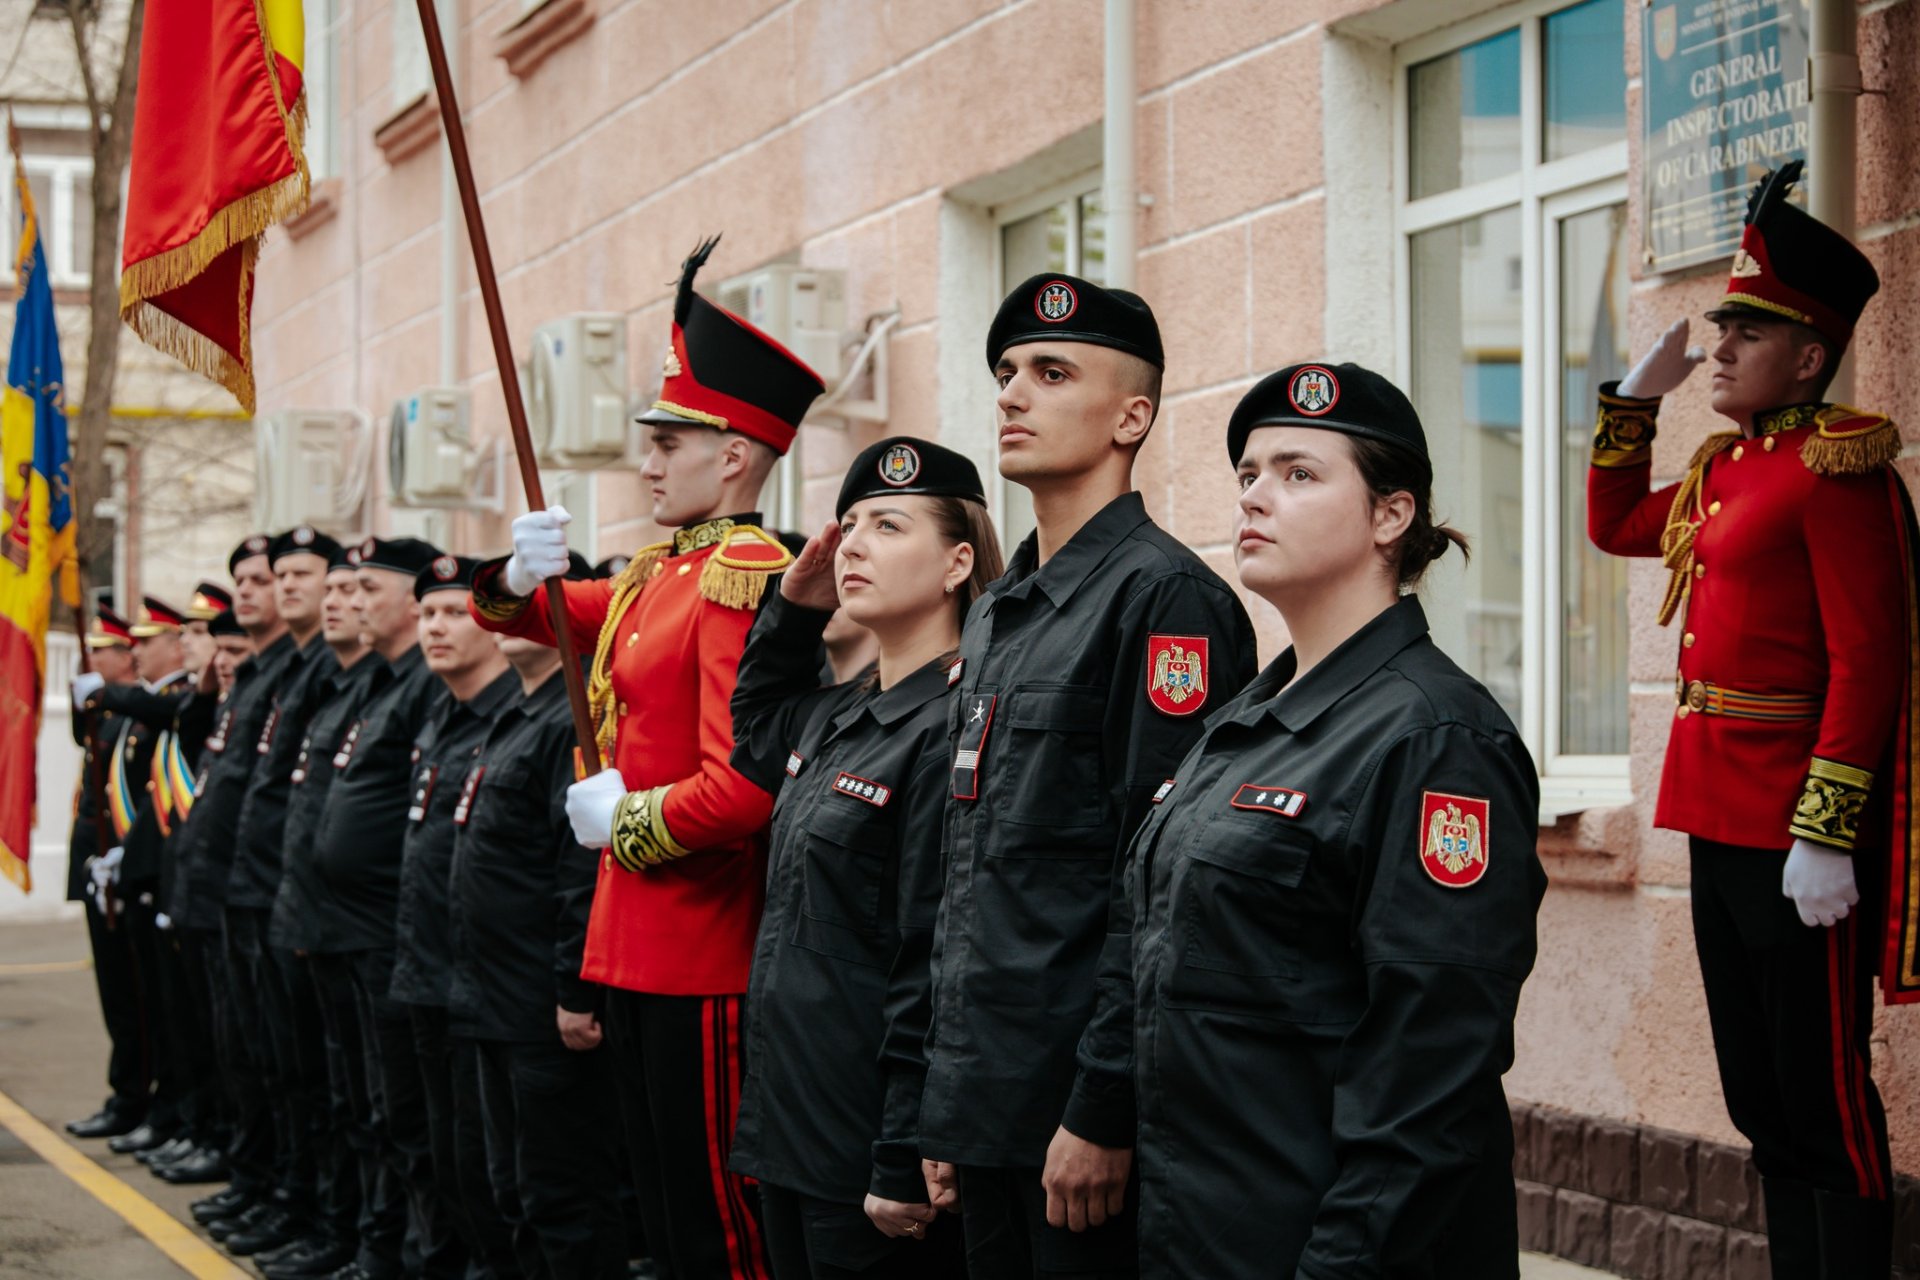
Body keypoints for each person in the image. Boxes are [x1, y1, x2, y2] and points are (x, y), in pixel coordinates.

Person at [1127, 362, 1545, 1277]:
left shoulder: (1437, 738)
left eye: (1298, 473)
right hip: (1203, 1230)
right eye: (1247, 474)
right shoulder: (1244, 722)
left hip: (1328, 1248)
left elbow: (1428, 1081)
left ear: (1391, 516)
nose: (1255, 496)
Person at [471, 235, 825, 1280]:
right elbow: (537, 613)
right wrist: (512, 564)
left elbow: (745, 781)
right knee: (663, 1212)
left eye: (668, 442)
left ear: (733, 457)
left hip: (702, 940)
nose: (647, 459)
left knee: (717, 1215)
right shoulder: (652, 574)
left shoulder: (742, 577)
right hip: (632, 940)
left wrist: (629, 819)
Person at [1587, 163, 1912, 1276]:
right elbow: (1617, 521)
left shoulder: (1838, 469)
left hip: (1793, 829)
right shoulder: (1729, 468)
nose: (1720, 346)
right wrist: (1632, 403)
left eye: (1748, 330)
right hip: (1717, 814)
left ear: (1810, 357)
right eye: (1721, 325)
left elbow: (1871, 661)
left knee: (1824, 1095)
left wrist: (1828, 826)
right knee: (1761, 1101)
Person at [919, 275, 1256, 1280]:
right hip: (989, 1096)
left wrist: (1102, 1103)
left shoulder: (1167, 600)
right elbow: (975, 868)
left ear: (1132, 414)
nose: (1013, 394)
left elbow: (1158, 883)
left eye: (1051, 372)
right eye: (1008, 372)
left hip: (1080, 1111)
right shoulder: (998, 606)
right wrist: (949, 1092)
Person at [726, 438, 997, 1280]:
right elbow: (754, 728)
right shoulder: (839, 713)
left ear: (958, 562)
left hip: (866, 1145)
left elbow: (934, 953)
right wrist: (794, 612)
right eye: (848, 527)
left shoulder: (957, 724)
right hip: (791, 1122)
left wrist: (898, 1153)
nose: (854, 546)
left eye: (887, 524)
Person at [449, 556, 627, 1280]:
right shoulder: (516, 715)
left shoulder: (575, 718)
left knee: (563, 1197)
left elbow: (581, 869)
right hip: (493, 996)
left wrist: (574, 989)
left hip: (541, 1006)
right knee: (515, 1189)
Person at [305, 535, 448, 1280]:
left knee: (405, 1115)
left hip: (388, 929)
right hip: (345, 925)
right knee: (362, 1102)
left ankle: (400, 1255)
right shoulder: (378, 681)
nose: (351, 603)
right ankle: (374, 1246)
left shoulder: (426, 679)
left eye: (367, 591)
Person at [393, 555, 524, 1279]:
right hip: (425, 971)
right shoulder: (438, 714)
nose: (434, 628)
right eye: (426, 615)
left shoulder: (513, 714)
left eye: (451, 612)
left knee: (489, 1167)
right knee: (435, 1148)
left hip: (484, 987)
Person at [221, 527, 348, 1261]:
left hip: (305, 905)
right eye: (283, 575)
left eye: (305, 575)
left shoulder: (327, 672)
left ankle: (314, 1213)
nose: (289, 587)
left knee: (318, 1079)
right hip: (261, 891)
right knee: (271, 1062)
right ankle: (279, 1192)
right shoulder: (279, 672)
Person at [265, 546, 388, 1280]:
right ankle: (321, 1217)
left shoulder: (387, 687)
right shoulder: (340, 686)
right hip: (313, 917)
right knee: (322, 1087)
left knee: (382, 1113)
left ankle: (370, 1240)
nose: (346, 602)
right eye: (338, 589)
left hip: (370, 932)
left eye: (359, 588)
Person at [100, 597, 196, 1158]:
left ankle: (174, 1113)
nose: (136, 651)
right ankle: (154, 1106)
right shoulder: (148, 705)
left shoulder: (179, 701)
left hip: (168, 876)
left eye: (145, 641)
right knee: (146, 1005)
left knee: (173, 1013)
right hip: (137, 872)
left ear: (176, 643)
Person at [63, 606, 146, 1141]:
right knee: (115, 992)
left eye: (101, 651)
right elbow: (84, 738)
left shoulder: (140, 710)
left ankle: (136, 1096)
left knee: (134, 993)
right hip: (97, 866)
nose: (91, 660)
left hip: (125, 869)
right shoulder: (110, 713)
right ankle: (125, 1093)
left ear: (125, 655)